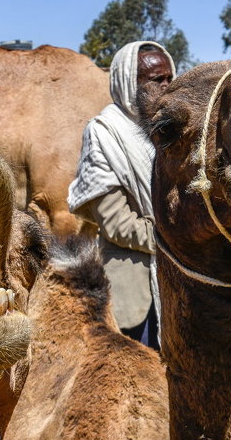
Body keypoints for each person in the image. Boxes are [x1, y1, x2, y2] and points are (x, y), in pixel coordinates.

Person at [68, 41, 175, 350]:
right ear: (130, 83)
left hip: (180, 281)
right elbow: (116, 223)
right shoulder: (105, 132)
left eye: (169, 77)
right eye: (156, 80)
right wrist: (179, 238)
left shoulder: (175, 132)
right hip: (134, 292)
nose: (167, 87)